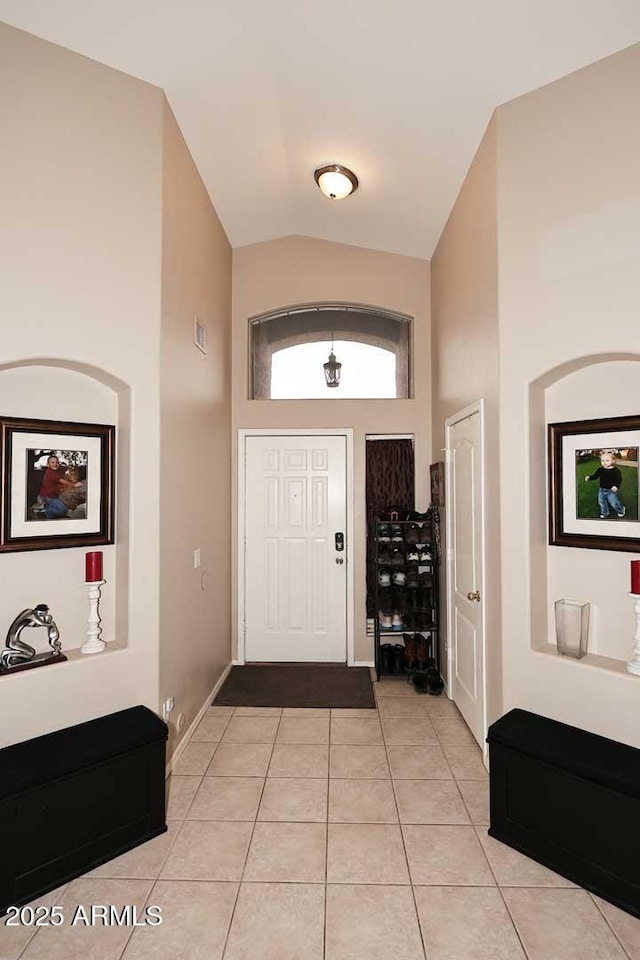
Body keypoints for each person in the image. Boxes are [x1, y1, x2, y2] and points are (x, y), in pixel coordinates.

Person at [585, 451, 626, 519]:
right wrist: (589, 477)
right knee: (602, 502)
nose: (604, 462)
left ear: (613, 461)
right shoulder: (601, 469)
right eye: (602, 460)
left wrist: (616, 486)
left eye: (607, 460)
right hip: (601, 490)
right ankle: (605, 512)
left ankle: (621, 510)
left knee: (614, 503)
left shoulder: (616, 471)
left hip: (611, 491)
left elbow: (618, 479)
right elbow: (596, 476)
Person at [36, 455, 78, 520]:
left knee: (58, 507)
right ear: (48, 464)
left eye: (57, 462)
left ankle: (46, 507)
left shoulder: (53, 471)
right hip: (48, 496)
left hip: (49, 494)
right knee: (63, 510)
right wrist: (74, 485)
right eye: (52, 463)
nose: (55, 464)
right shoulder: (51, 473)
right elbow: (63, 481)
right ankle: (44, 513)